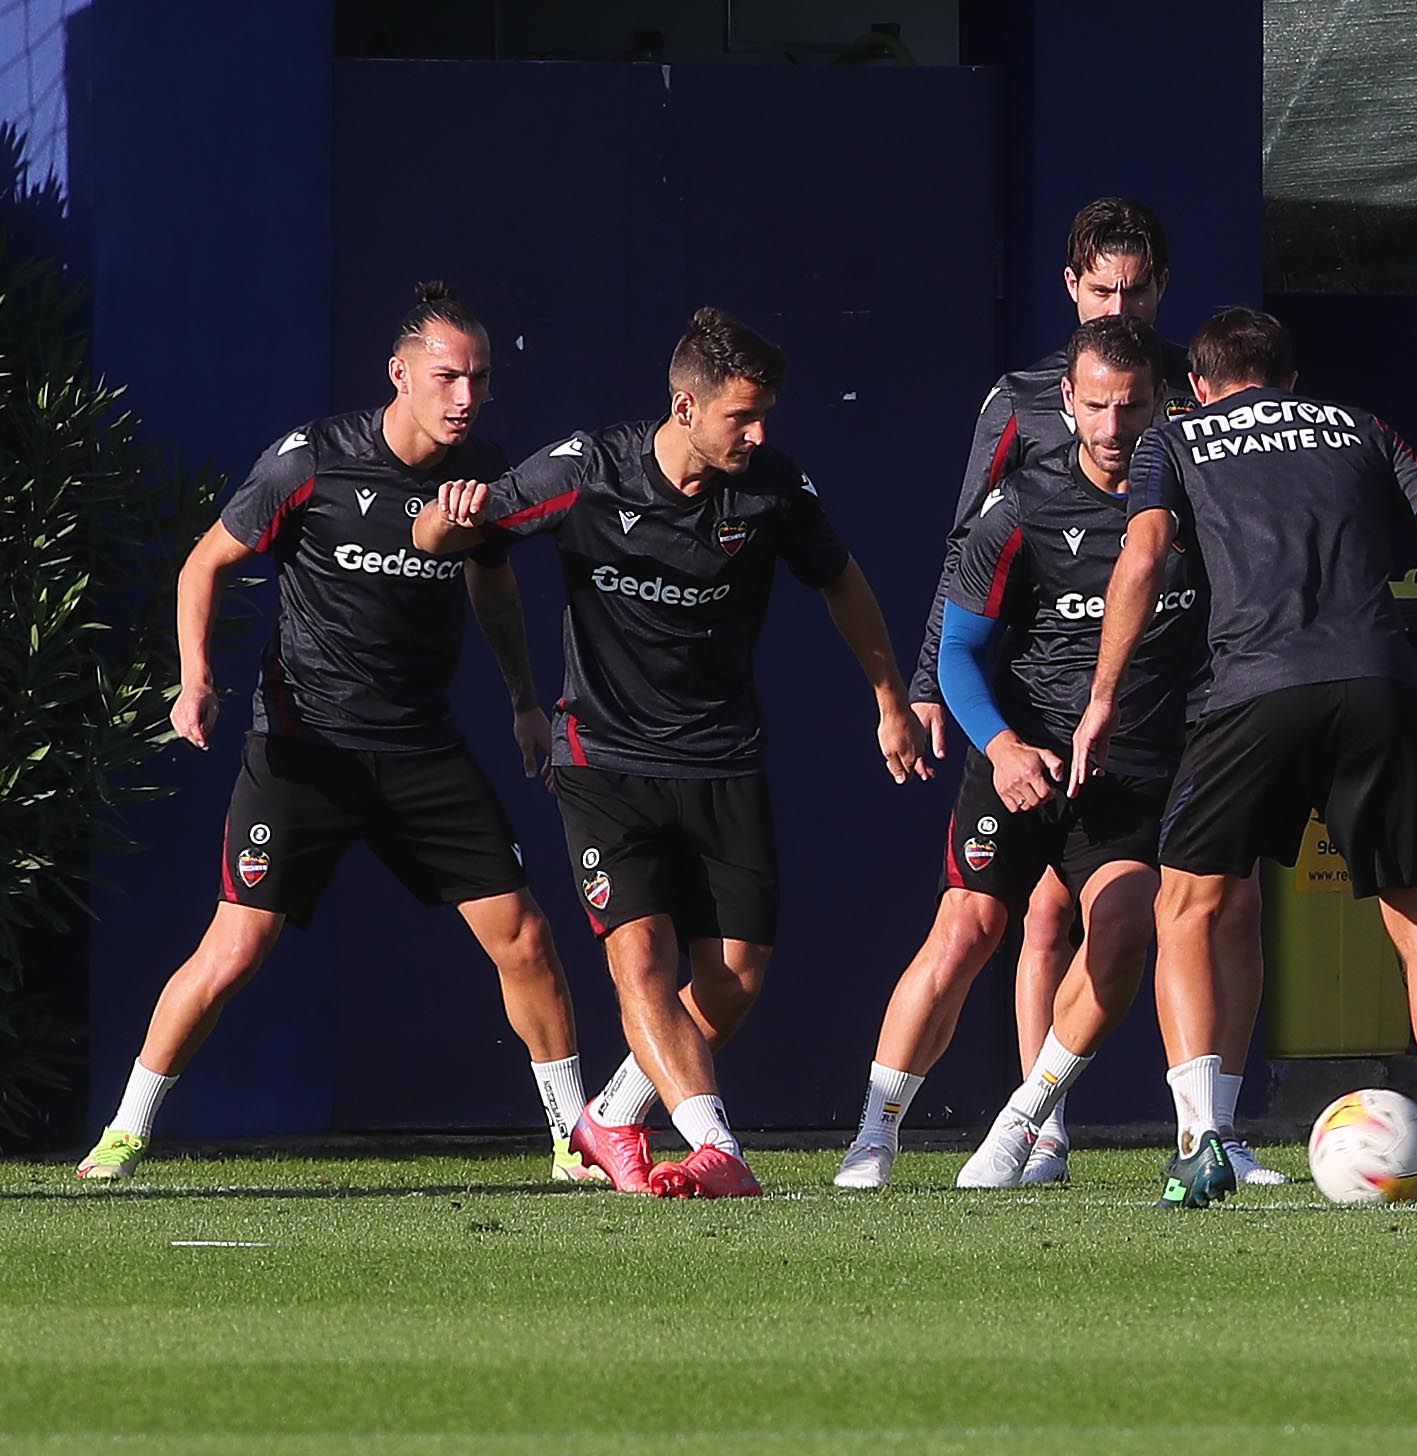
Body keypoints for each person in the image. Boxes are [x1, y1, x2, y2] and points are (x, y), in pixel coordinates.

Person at [78, 283, 600, 1184]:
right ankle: (124, 1133)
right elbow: (205, 561)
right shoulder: (310, 463)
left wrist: (524, 698)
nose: (465, 397)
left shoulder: (483, 471)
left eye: (479, 378)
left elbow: (493, 586)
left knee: (524, 935)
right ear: (400, 374)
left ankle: (571, 1142)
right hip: (302, 748)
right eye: (446, 377)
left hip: (420, 749)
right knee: (237, 947)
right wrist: (195, 679)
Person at [415, 307, 930, 1199]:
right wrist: (445, 517)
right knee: (638, 959)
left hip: (723, 760)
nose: (760, 432)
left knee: (732, 981)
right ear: (685, 407)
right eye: (743, 415)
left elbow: (842, 581)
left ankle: (611, 1114)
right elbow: (452, 539)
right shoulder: (588, 471)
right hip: (602, 760)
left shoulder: (771, 488)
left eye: (766, 413)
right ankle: (718, 1148)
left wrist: (890, 699)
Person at [1070, 307, 1417, 1209]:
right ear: (1289, 380)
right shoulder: (1360, 426)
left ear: (1202, 387)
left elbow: (1140, 562)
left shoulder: (1176, 437)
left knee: (1187, 905)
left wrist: (1101, 699)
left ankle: (1200, 1141)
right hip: (1380, 681)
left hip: (1252, 690)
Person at [910, 198, 1281, 1186]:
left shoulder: (1189, 402)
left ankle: (1216, 1136)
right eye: (1101, 285)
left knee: (1229, 902)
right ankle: (1041, 1133)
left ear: (1161, 288)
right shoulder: (1020, 398)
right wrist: (928, 683)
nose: (1119, 299)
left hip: (1182, 695)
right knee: (1039, 914)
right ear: (1071, 286)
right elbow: (964, 548)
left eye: (1137, 285)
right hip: (1045, 700)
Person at [834, 316, 1198, 1190]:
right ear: (1066, 401)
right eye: (1099, 406)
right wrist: (1000, 748)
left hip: (1131, 771)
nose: (1116, 429)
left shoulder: (1196, 504)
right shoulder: (1020, 509)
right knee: (968, 929)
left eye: (1136, 407)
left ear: (1164, 403)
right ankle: (874, 1135)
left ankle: (1026, 1122)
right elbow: (960, 655)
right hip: (1021, 758)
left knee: (1119, 929)